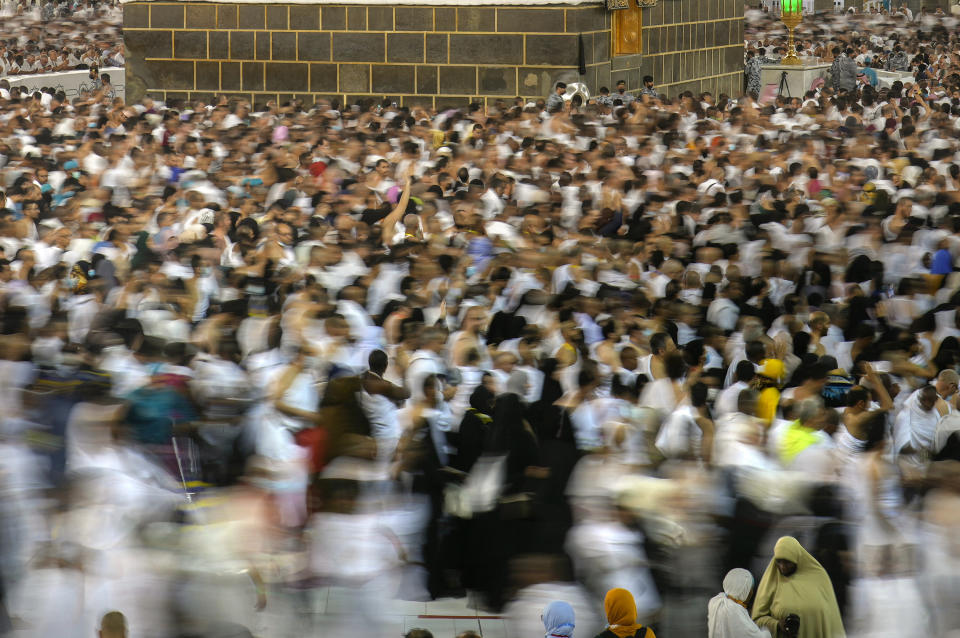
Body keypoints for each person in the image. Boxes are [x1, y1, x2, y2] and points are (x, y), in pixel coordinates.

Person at [752, 536, 846, 638]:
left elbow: (832, 618)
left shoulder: (819, 577)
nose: (782, 567)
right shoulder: (772, 582)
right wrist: (777, 625)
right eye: (779, 561)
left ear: (796, 558)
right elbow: (757, 620)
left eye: (787, 562)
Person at [708, 569, 771, 638]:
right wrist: (767, 632)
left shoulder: (716, 601)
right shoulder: (735, 610)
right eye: (749, 589)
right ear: (743, 589)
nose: (751, 593)